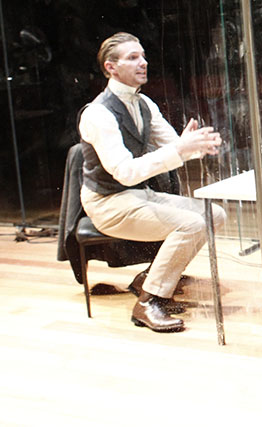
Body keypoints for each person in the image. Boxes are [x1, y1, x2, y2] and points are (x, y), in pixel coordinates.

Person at [78, 32, 227, 333]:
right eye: (132, 58)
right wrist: (179, 150)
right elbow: (124, 172)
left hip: (137, 195)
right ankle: (149, 302)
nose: (143, 63)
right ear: (111, 67)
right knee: (191, 224)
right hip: (108, 203)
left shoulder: (144, 103)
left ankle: (149, 278)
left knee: (215, 215)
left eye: (143, 56)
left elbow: (174, 146)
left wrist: (198, 145)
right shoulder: (98, 114)